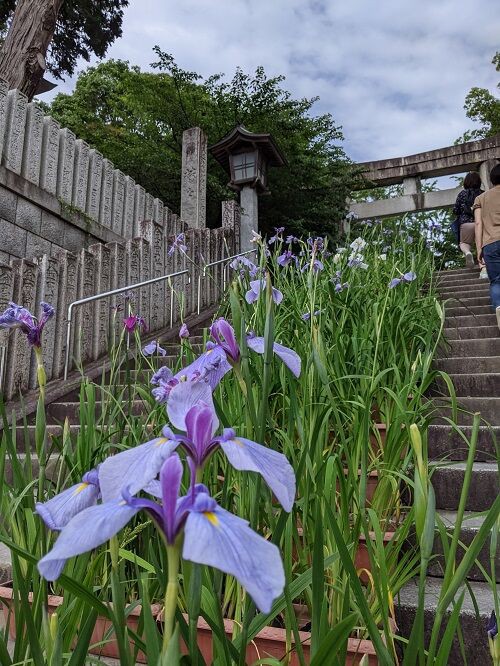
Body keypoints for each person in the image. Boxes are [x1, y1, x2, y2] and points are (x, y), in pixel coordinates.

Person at [473, 163, 500, 330]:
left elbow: (477, 223)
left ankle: (499, 308)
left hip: (490, 244)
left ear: (491, 180)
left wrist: (479, 248)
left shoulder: (481, 198)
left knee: (496, 281)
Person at [452, 172, 484, 268]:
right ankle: (483, 265)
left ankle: (467, 252)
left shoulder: (462, 194)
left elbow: (456, 210)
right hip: (481, 223)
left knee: (464, 243)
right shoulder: (483, 193)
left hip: (466, 224)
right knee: (483, 245)